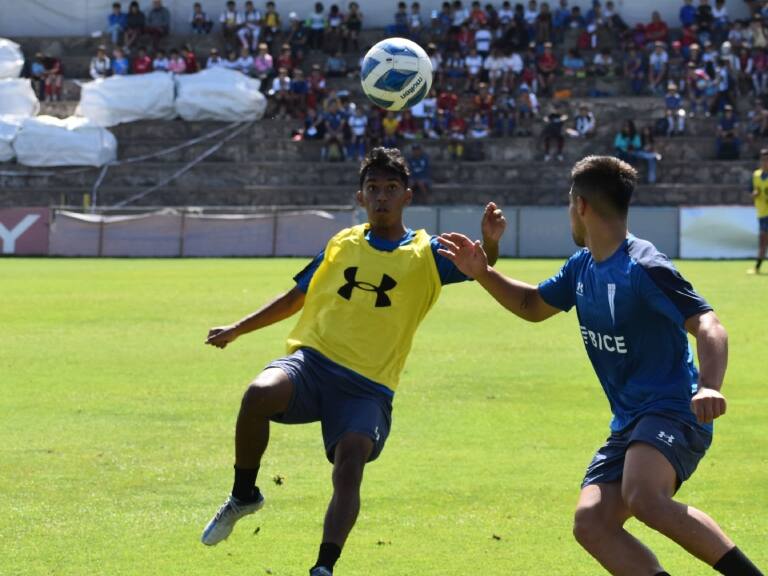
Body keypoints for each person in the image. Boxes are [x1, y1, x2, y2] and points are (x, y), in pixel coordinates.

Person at [436, 155, 766, 576]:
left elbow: (708, 324)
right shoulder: (582, 266)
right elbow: (531, 305)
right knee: (592, 522)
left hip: (674, 409)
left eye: (569, 203)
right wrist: (482, 273)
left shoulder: (644, 266)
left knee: (644, 497)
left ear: (581, 205)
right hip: (630, 421)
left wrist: (710, 385)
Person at [200, 147, 506, 576]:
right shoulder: (341, 243)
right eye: (373, 188)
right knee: (258, 395)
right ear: (360, 196)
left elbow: (480, 266)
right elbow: (295, 297)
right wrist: (238, 328)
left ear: (408, 196)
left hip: (368, 387)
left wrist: (490, 242)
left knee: (349, 467)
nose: (382, 196)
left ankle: (323, 567)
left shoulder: (428, 253)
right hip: (312, 365)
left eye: (391, 188)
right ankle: (243, 495)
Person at [748, 148, 768, 274]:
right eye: (764, 159)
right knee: (762, 241)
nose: (765, 162)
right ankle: (757, 268)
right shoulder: (756, 175)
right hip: (762, 213)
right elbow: (752, 191)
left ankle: (757, 268)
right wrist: (754, 194)